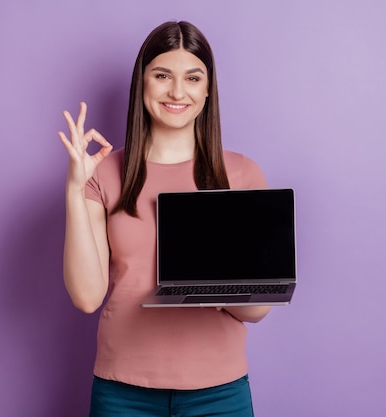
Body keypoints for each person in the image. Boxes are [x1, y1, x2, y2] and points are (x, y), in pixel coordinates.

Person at [58, 20, 271, 417]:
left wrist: (206, 277)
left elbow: (256, 310)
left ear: (208, 90)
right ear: (142, 83)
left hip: (218, 394)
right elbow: (87, 297)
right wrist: (74, 187)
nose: (177, 91)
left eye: (193, 77)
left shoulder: (241, 175)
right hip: (122, 393)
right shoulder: (102, 173)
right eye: (162, 75)